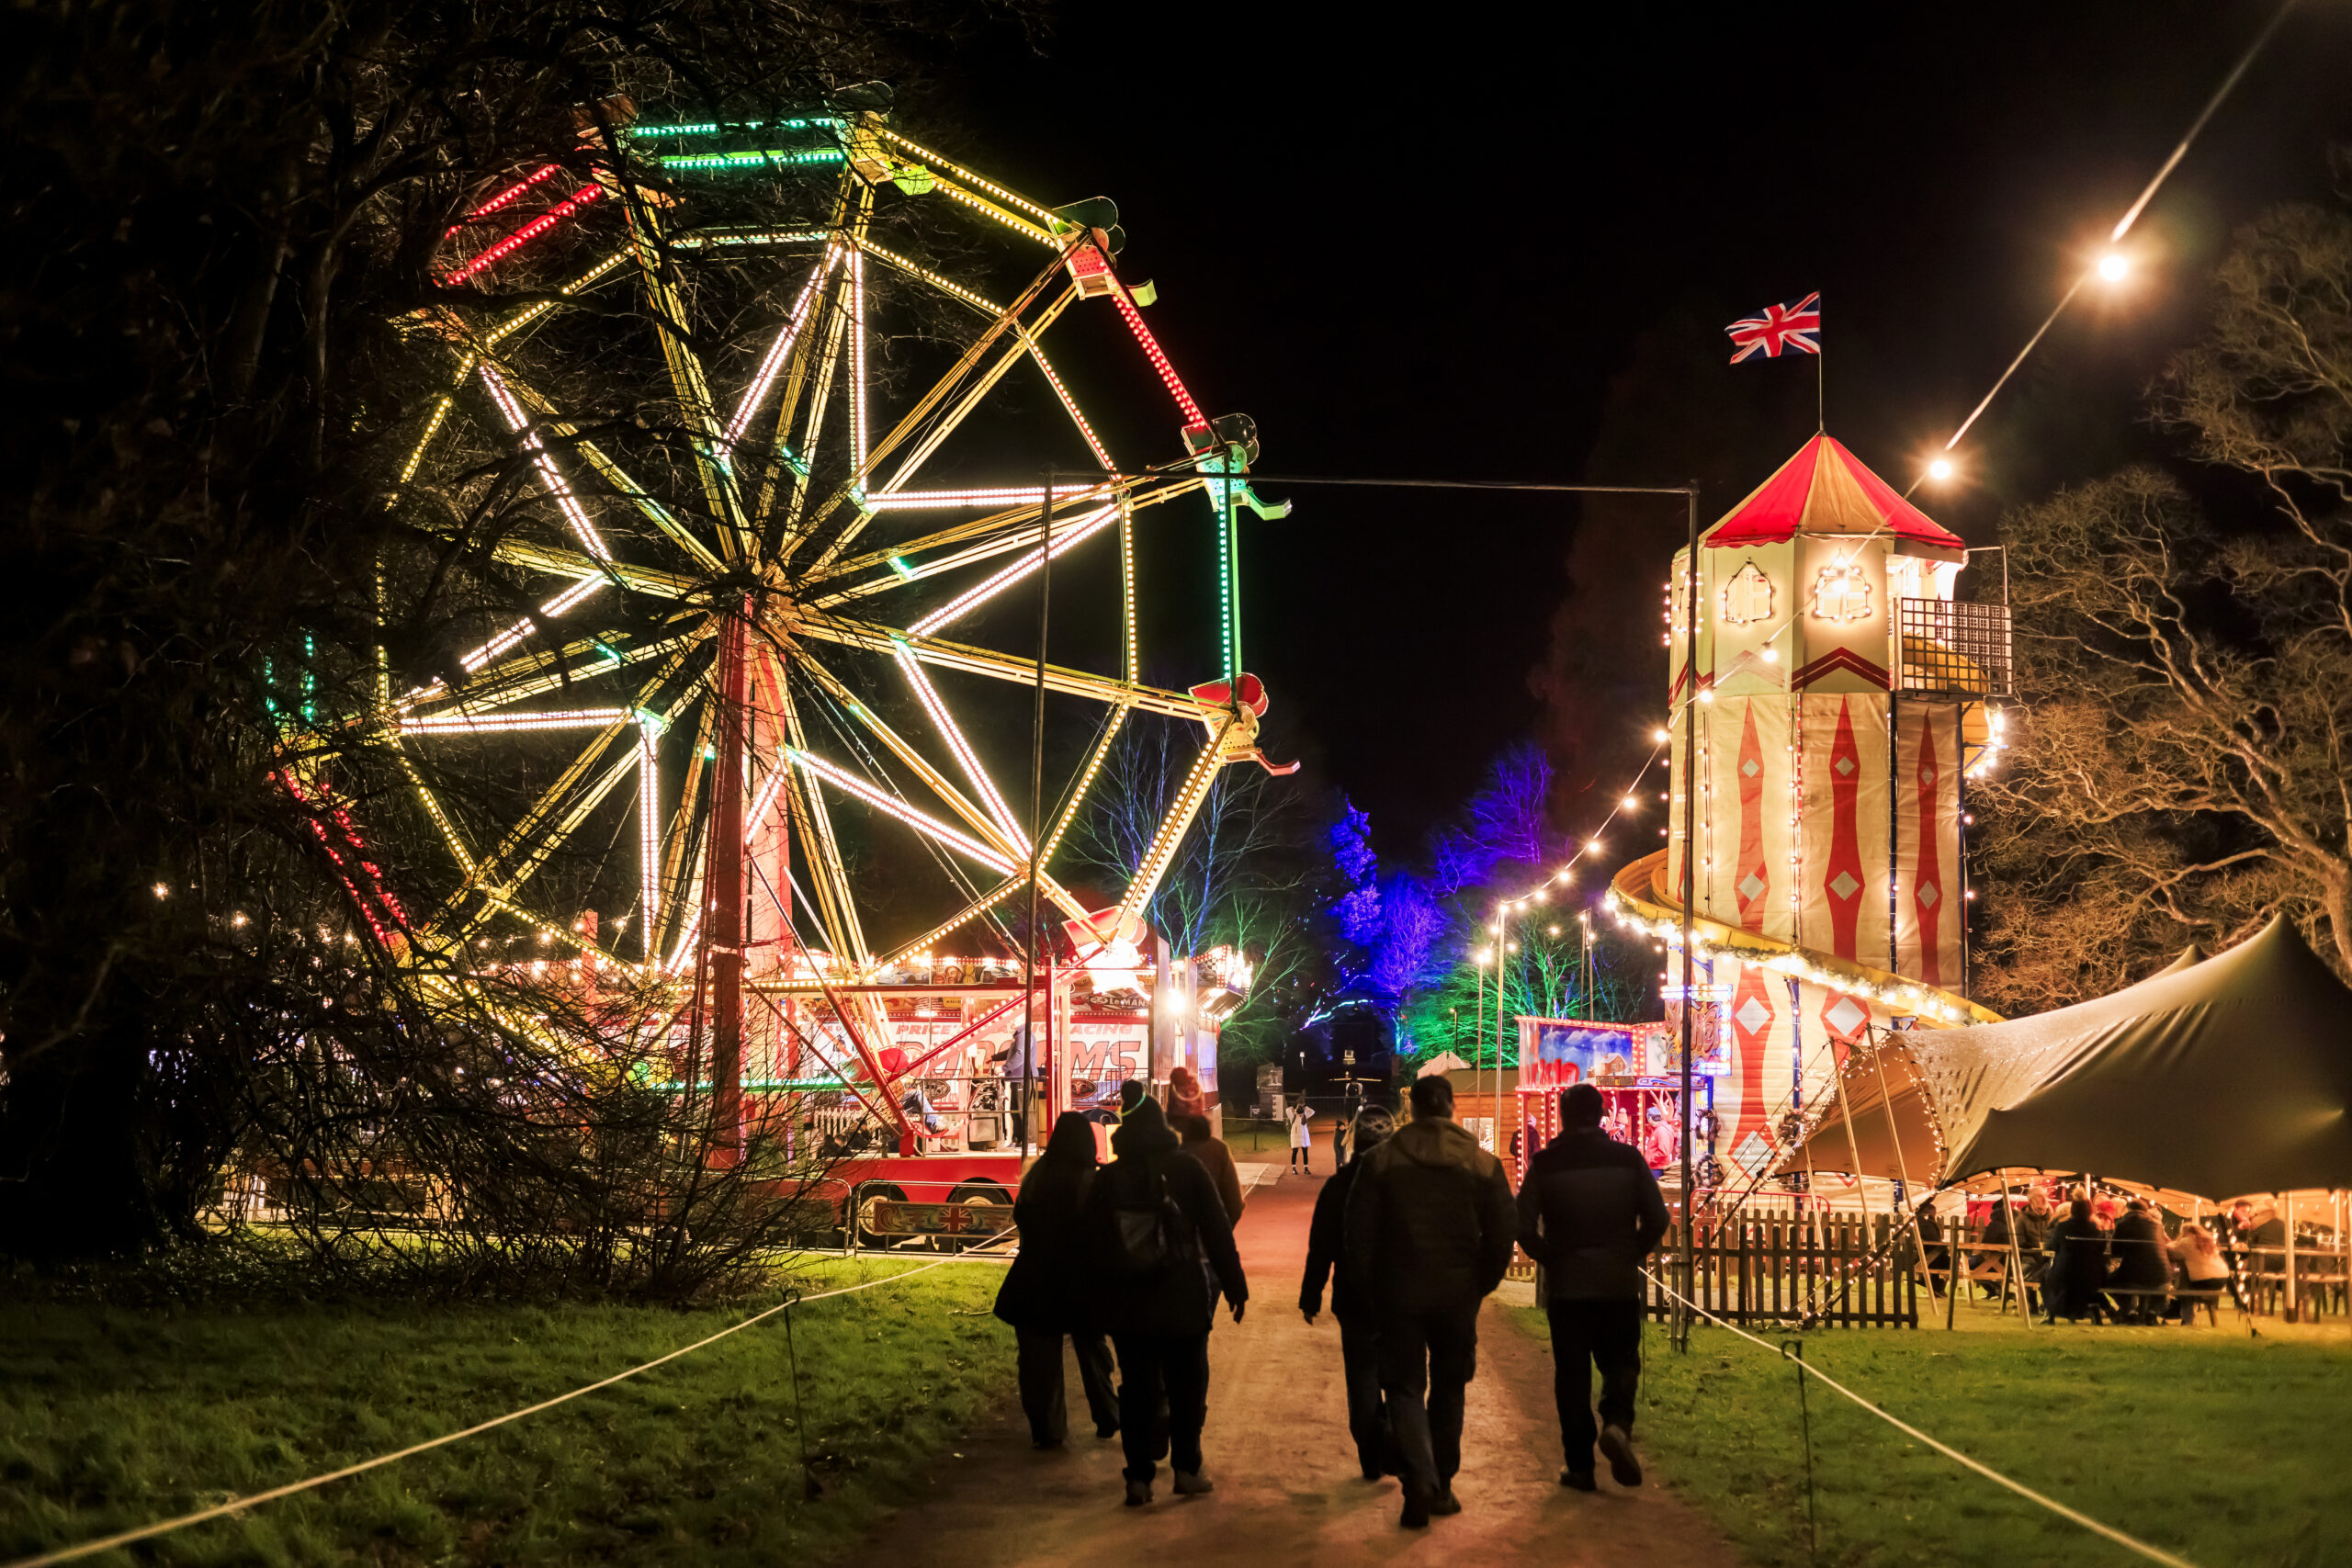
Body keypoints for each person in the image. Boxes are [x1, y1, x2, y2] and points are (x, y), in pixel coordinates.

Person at [1344, 1075, 1517, 1529]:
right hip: (1458, 1295)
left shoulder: (1380, 1161)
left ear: (1413, 1110)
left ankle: (1417, 1476)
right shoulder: (1483, 1164)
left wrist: (1371, 1290)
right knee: (1449, 1385)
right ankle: (1441, 1483)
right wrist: (1479, 1284)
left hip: (1398, 1293)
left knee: (1403, 1387)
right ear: (1452, 1108)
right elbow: (1502, 1236)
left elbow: (1357, 1236)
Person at [1083, 1095, 1248, 1507]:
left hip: (1129, 1303)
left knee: (1137, 1389)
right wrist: (1235, 1286)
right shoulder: (1187, 1167)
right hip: (1182, 1297)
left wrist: (1096, 1299)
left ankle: (1138, 1479)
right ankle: (1188, 1470)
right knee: (1187, 1384)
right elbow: (1217, 1230)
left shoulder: (1110, 1177)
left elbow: (1092, 1245)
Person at [1515, 1082, 1668, 1494]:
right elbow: (1658, 1219)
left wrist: (1551, 1258)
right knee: (1621, 1361)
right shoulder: (1629, 1159)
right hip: (1617, 1285)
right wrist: (1630, 1253)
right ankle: (1617, 1422)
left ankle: (1580, 1467)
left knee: (1572, 1377)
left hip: (1567, 1290)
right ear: (1601, 1115)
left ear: (1563, 1115)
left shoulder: (1546, 1163)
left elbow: (1522, 1224)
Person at [993, 1112, 1120, 1448]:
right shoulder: (1093, 1183)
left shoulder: (1036, 1177)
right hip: (1082, 1281)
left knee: (1039, 1361)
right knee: (1094, 1352)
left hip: (1035, 1280)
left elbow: (1023, 1219)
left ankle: (1048, 1430)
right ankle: (1108, 1415)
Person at [1300, 1106, 1399, 1482]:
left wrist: (1312, 1294)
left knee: (1362, 1380)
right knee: (1403, 1380)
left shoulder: (1339, 1186)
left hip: (1354, 1298)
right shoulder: (1405, 1184)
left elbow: (1320, 1244)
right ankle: (1396, 1444)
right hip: (1401, 1299)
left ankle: (1372, 1452)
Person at [1172, 1111, 1246, 1225]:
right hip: (1213, 1227)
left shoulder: (1177, 1154)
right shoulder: (1219, 1150)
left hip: (1181, 1232)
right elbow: (1235, 1204)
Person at [2047, 1197, 2112, 1324]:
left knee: (2047, 1274)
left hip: (2065, 1274)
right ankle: (2100, 1309)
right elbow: (2101, 1249)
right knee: (2087, 1280)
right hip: (2091, 1277)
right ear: (2090, 1211)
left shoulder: (2062, 1227)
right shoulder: (2097, 1229)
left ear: (2072, 1210)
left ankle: (2054, 1311)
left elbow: (2053, 1246)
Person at [2109, 1198, 2171, 1323]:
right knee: (2163, 1288)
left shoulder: (2123, 1224)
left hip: (2133, 1276)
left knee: (2107, 1282)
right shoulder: (2157, 1226)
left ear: (2128, 1210)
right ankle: (2152, 1312)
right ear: (2145, 1211)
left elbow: (2116, 1252)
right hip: (2163, 1277)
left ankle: (2130, 1311)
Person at [2169, 1219, 2231, 1324]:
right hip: (2222, 1280)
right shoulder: (2208, 1241)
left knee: (2185, 1291)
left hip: (2205, 1280)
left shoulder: (2186, 1241)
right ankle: (2188, 1317)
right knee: (2187, 1286)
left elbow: (2174, 1252)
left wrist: (2168, 1243)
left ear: (2185, 1232)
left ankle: (2187, 1320)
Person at [1285, 1099, 1317, 1174]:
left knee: (1305, 1152)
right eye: (1300, 1114)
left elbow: (1313, 1112)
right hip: (1296, 1137)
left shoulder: (1305, 1115)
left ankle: (1306, 1169)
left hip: (1304, 1137)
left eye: (1302, 1113)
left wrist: (1305, 1108)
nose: (1301, 1115)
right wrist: (1293, 1108)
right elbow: (1287, 1110)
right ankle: (1294, 1168)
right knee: (1295, 1152)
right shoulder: (1293, 1116)